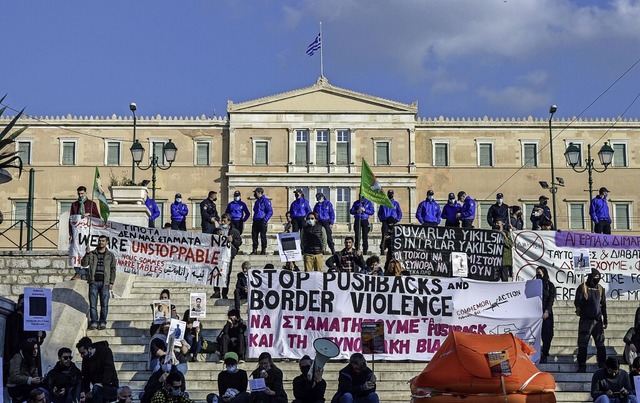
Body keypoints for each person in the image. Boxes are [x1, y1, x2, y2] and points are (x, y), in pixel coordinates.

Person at [4, 293, 46, 382]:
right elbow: (11, 337)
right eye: (22, 303)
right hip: (18, 350)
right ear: (19, 304)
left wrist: (40, 334)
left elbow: (41, 333)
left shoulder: (33, 317)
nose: (23, 305)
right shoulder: (13, 318)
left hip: (32, 350)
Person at [575, 268, 608, 373]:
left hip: (597, 321)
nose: (597, 279)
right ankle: (582, 365)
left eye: (598, 277)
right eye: (595, 277)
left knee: (600, 344)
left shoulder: (600, 289)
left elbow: (603, 306)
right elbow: (577, 303)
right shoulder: (582, 288)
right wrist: (584, 299)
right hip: (586, 321)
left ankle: (602, 363)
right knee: (583, 344)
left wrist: (605, 319)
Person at [81, 234, 116, 330]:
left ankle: (102, 321)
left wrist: (111, 282)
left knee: (104, 304)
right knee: (93, 304)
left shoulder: (110, 255)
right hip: (93, 282)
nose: (101, 242)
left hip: (105, 283)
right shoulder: (92, 253)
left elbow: (113, 269)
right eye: (100, 240)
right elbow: (83, 264)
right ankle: (94, 321)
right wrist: (87, 253)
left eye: (103, 241)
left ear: (107, 242)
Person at [70, 185, 101, 280]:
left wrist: (89, 214)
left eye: (82, 193)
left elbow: (98, 218)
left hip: (88, 232)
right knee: (76, 251)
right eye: (79, 194)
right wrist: (70, 234)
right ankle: (77, 272)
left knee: (88, 250)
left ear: (86, 193)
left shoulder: (92, 204)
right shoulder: (74, 205)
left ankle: (88, 272)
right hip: (77, 232)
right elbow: (71, 219)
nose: (80, 195)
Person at [76, 337, 119, 403]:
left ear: (90, 349)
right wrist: (87, 391)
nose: (82, 356)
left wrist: (103, 384)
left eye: (83, 353)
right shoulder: (86, 358)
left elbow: (108, 369)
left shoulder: (105, 351)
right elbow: (85, 375)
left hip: (110, 385)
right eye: (80, 353)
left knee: (97, 389)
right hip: (97, 387)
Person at [213, 213, 243, 299]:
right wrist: (217, 235)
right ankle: (216, 291)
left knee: (226, 274)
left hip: (228, 256)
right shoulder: (216, 230)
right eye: (221, 221)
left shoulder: (235, 232)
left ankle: (225, 292)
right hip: (218, 255)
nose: (222, 222)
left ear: (229, 222)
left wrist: (232, 240)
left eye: (224, 221)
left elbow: (239, 243)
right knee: (216, 272)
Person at [536, 266, 556, 363]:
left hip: (546, 313)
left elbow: (551, 299)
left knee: (548, 335)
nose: (538, 275)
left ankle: (544, 353)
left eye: (540, 273)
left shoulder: (550, 285)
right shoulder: (534, 285)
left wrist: (547, 311)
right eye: (537, 273)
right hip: (536, 313)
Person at [377, 189, 402, 254]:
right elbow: (379, 213)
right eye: (389, 193)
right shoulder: (383, 203)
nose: (390, 195)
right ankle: (382, 250)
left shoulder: (396, 203)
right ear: (387, 194)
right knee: (384, 236)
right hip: (385, 221)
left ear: (393, 194)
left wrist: (397, 219)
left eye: (391, 193)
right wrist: (382, 219)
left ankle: (394, 250)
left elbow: (399, 213)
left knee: (394, 236)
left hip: (393, 221)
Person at [251, 187, 273, 255]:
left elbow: (270, 211)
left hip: (262, 219)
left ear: (259, 193)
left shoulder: (265, 201)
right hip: (256, 220)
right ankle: (254, 249)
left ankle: (263, 250)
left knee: (263, 235)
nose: (255, 194)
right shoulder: (257, 202)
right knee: (254, 235)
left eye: (256, 193)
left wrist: (265, 219)